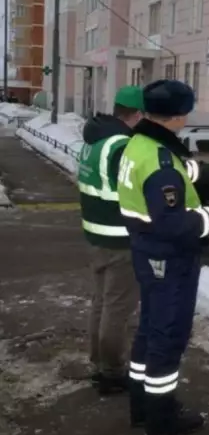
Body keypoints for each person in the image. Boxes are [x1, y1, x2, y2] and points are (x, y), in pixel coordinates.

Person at [117, 79, 209, 435]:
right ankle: (161, 420)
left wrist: (201, 173)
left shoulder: (139, 143)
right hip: (170, 258)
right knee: (168, 337)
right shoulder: (161, 160)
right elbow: (173, 223)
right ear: (180, 116)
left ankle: (141, 406)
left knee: (150, 329)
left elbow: (170, 174)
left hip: (146, 251)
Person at [77, 85, 144, 395]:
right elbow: (136, 192)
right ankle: (112, 373)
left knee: (101, 303)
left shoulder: (93, 141)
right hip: (120, 240)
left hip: (95, 236)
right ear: (138, 114)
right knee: (117, 309)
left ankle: (99, 362)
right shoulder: (121, 146)